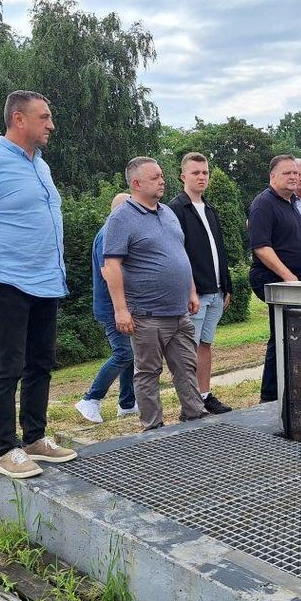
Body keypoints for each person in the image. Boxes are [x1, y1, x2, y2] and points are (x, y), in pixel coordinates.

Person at [0, 90, 76, 478]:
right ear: (18, 119)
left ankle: (35, 438)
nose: (51, 125)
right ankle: (6, 449)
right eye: (44, 117)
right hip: (9, 279)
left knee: (41, 361)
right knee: (7, 366)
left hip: (47, 279)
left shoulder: (41, 165)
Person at [102, 157, 208, 430]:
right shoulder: (121, 217)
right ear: (136, 183)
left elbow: (179, 255)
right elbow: (112, 265)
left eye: (162, 176)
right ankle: (153, 427)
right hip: (146, 315)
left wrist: (191, 291)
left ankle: (196, 417)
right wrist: (120, 309)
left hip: (179, 312)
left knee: (187, 367)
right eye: (155, 177)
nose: (162, 181)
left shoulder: (167, 212)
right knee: (148, 372)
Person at [167, 153, 233, 415]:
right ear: (183, 176)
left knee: (205, 344)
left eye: (205, 172)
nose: (202, 177)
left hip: (216, 290)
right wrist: (188, 289)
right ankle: (190, 404)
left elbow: (219, 250)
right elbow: (177, 254)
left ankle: (204, 395)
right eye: (196, 173)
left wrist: (227, 285)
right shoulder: (175, 210)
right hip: (194, 293)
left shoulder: (210, 209)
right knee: (188, 349)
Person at [247, 154, 301, 402]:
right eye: (288, 173)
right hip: (278, 282)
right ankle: (270, 396)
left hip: (299, 283)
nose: (294, 177)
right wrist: (289, 277)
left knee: (296, 335)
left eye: (296, 173)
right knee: (282, 336)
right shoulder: (264, 204)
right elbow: (261, 247)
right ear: (272, 176)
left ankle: (293, 388)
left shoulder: (290, 203)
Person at [75, 193, 139, 423]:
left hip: (120, 305)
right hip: (112, 306)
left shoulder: (116, 233)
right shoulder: (108, 235)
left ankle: (128, 403)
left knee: (130, 355)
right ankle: (90, 399)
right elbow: (108, 271)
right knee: (124, 353)